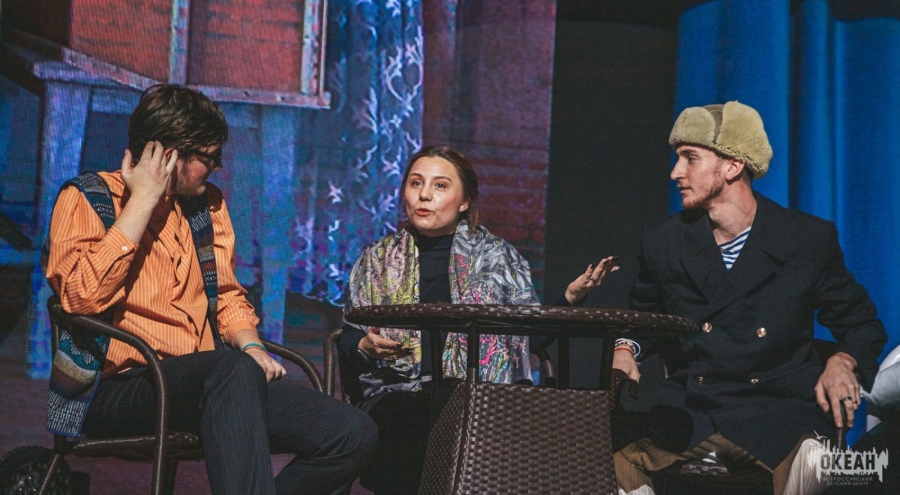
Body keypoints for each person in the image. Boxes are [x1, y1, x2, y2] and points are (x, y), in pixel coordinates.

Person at [44, 84, 377, 495]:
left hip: (209, 386)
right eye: (209, 157)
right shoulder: (86, 198)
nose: (216, 167)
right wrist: (142, 202)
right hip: (116, 389)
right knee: (229, 369)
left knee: (351, 432)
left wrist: (252, 346)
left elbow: (228, 297)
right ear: (169, 156)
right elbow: (80, 297)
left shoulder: (207, 206)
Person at [570, 101, 887, 495]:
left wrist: (842, 361)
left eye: (690, 158)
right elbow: (643, 318)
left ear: (733, 166)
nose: (675, 172)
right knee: (600, 453)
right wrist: (625, 348)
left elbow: (862, 324)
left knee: (810, 462)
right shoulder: (665, 240)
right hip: (692, 413)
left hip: (777, 412)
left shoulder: (804, 239)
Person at [338, 145, 615, 494]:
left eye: (440, 185)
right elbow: (348, 336)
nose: (424, 195)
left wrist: (570, 299)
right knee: (409, 420)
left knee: (474, 420)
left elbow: (526, 339)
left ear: (465, 201)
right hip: (399, 396)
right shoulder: (377, 259)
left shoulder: (498, 259)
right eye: (416, 183)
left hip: (481, 396)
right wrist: (364, 345)